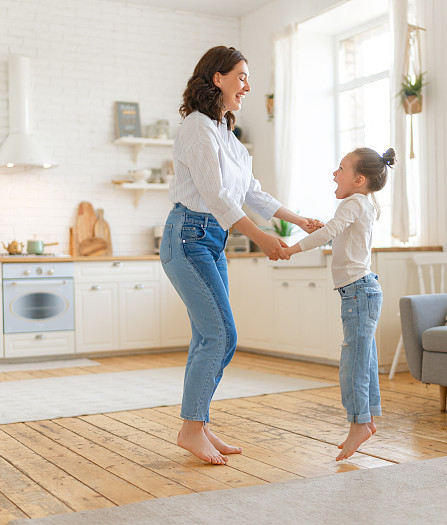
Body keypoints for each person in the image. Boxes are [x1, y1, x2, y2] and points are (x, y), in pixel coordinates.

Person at [161, 46, 321, 465]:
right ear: (218, 78)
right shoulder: (196, 127)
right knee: (222, 335)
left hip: (210, 240)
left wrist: (297, 219)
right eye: (241, 77)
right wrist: (263, 238)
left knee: (207, 337)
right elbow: (215, 196)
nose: (247, 86)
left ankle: (198, 425)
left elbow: (250, 191)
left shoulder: (227, 135)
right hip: (188, 237)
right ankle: (190, 428)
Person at [284, 147, 395, 461]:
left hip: (359, 293)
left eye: (341, 168)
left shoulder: (354, 202)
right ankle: (368, 419)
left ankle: (359, 423)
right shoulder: (364, 203)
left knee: (353, 365)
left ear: (359, 179)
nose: (335, 173)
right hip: (363, 291)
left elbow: (331, 233)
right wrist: (326, 230)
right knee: (365, 360)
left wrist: (291, 250)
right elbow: (337, 234)